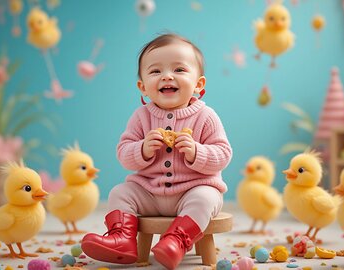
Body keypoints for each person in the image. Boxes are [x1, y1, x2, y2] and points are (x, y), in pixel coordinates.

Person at [81, 33, 232, 269]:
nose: (167, 76)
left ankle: (176, 241)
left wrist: (196, 153)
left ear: (199, 84)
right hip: (149, 192)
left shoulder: (206, 116)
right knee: (120, 192)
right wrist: (141, 149)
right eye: (155, 71)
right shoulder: (141, 117)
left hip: (192, 190)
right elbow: (123, 153)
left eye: (179, 69)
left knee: (205, 198)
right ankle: (121, 238)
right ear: (142, 87)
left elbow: (223, 154)